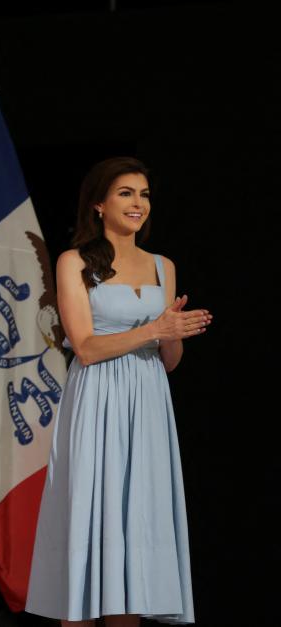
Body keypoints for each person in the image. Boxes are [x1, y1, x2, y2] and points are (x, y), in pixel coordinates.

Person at [25, 157, 208, 626]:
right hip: (97, 401)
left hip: (147, 403)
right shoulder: (74, 262)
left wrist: (173, 334)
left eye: (144, 194)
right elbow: (84, 347)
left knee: (133, 541)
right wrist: (155, 328)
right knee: (91, 529)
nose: (138, 203)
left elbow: (169, 362)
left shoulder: (164, 266)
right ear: (99, 205)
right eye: (126, 193)